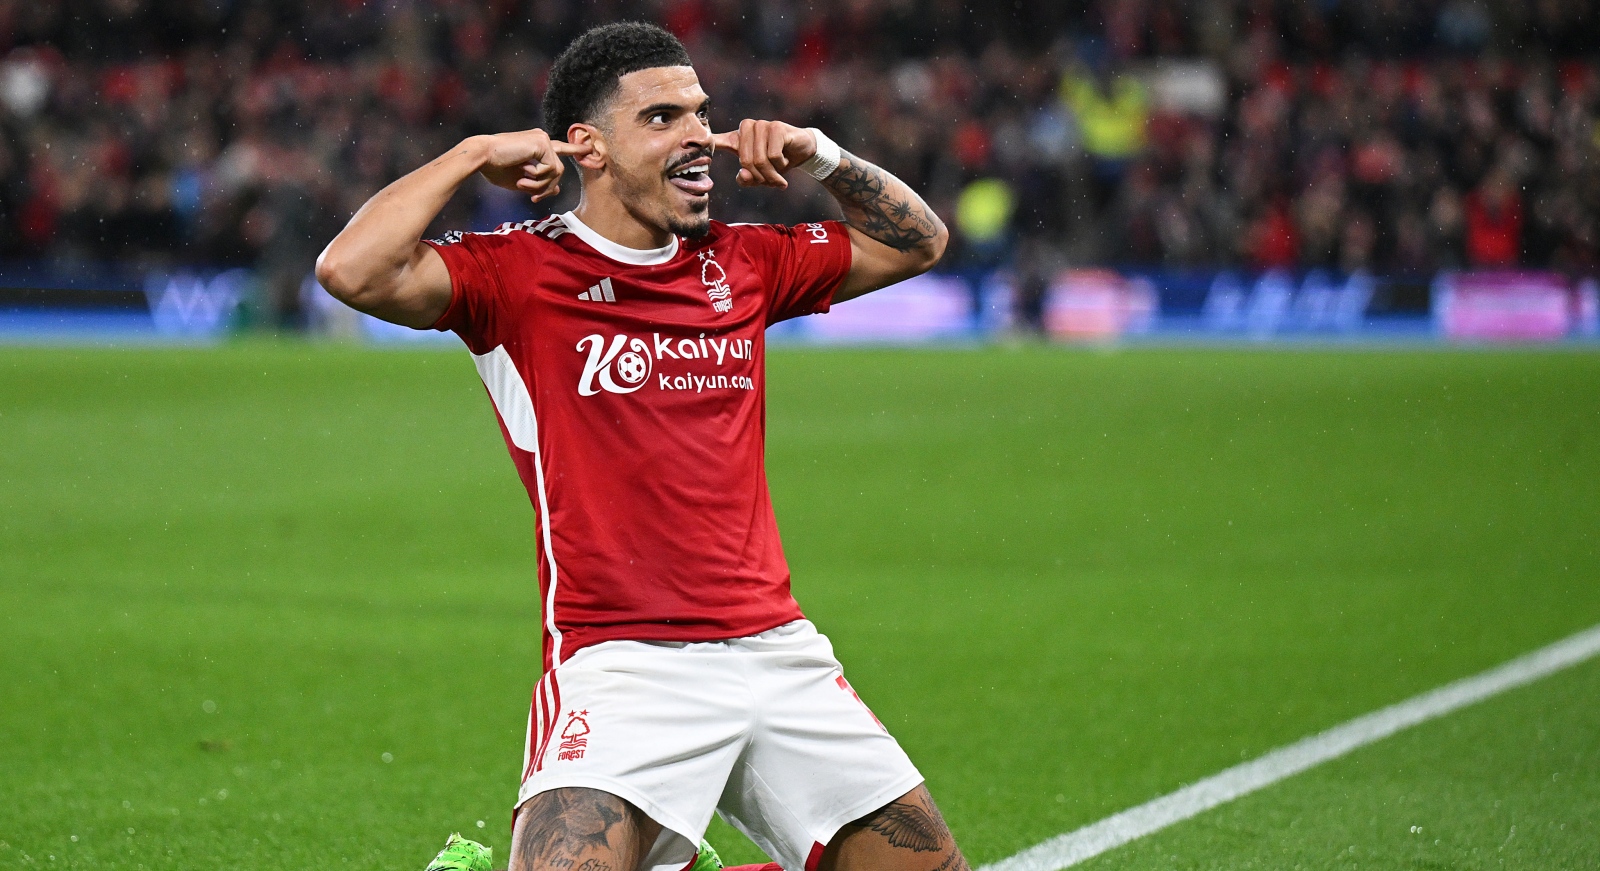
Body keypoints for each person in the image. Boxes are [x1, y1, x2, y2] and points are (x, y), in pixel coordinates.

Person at [315, 20, 958, 871]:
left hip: (777, 650)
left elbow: (919, 242)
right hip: (621, 663)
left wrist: (823, 157)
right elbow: (352, 270)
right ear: (588, 146)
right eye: (662, 117)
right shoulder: (517, 273)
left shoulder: (744, 261)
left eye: (701, 113)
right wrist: (471, 156)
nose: (699, 136)